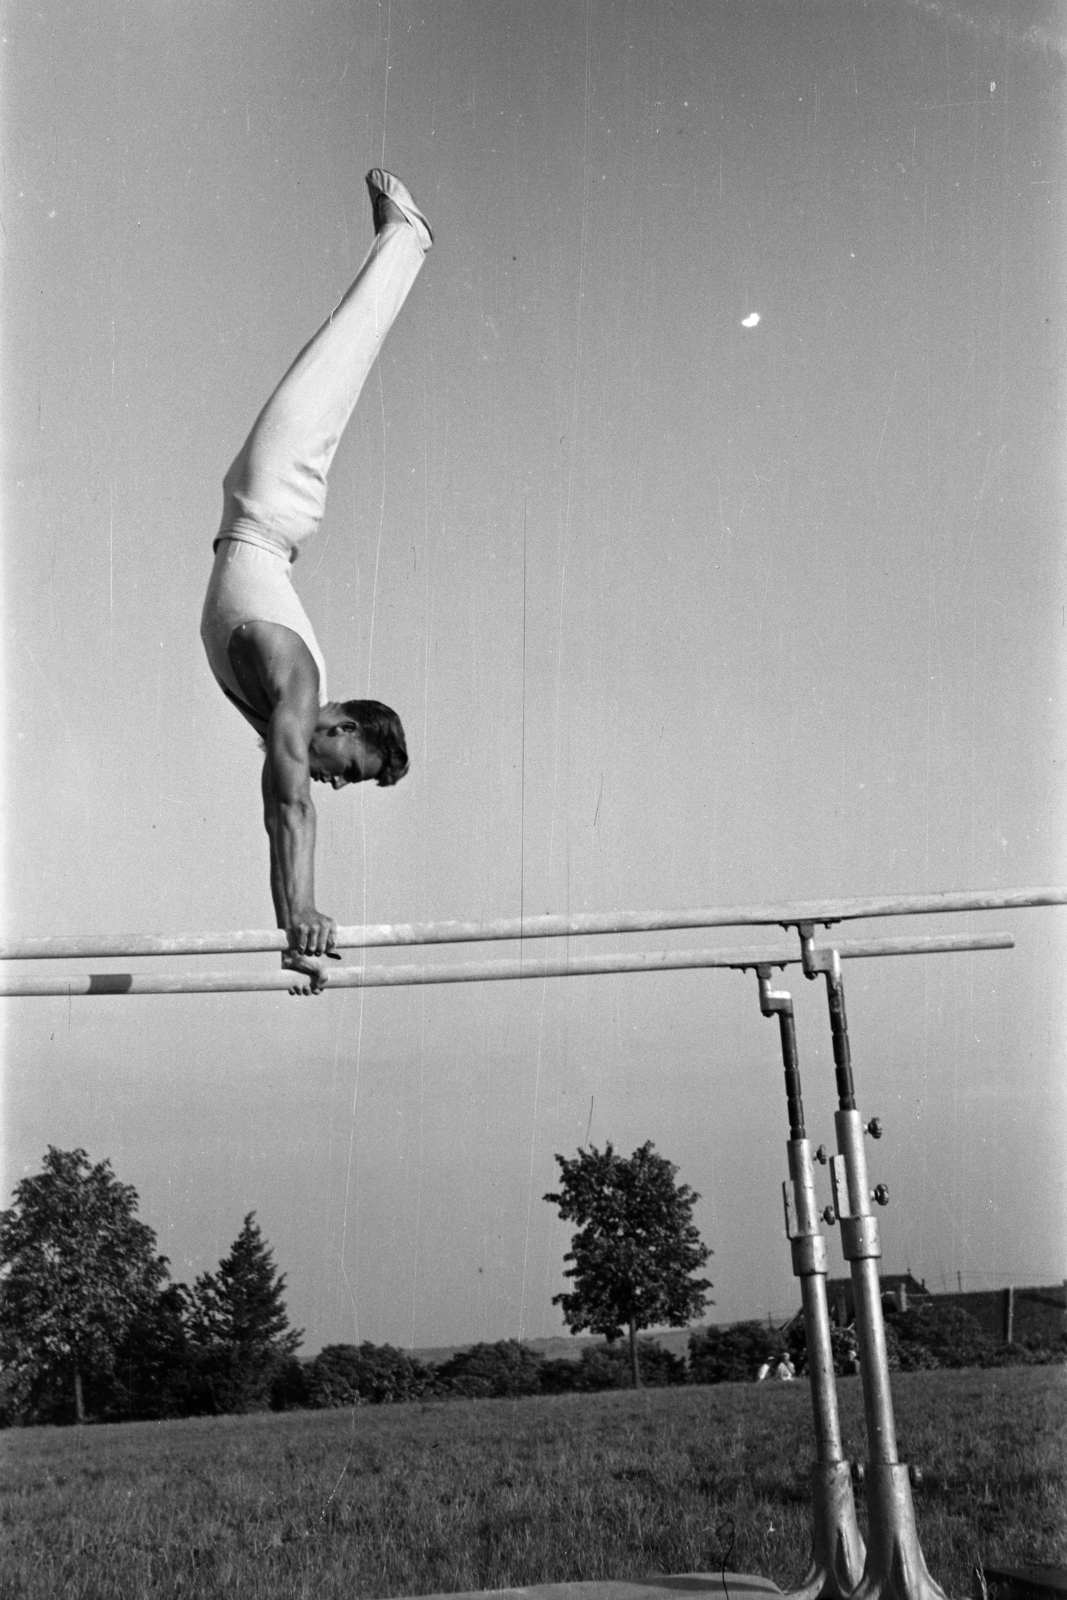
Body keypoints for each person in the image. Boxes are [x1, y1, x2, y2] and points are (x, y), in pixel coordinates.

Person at [201, 169, 432, 994]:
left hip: (263, 520)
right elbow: (287, 808)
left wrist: (294, 933)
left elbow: (286, 802)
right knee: (334, 364)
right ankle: (405, 239)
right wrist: (300, 909)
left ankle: (399, 245)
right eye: (349, 765)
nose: (334, 781)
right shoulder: (298, 687)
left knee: (332, 368)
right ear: (339, 721)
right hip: (272, 503)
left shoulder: (285, 712)